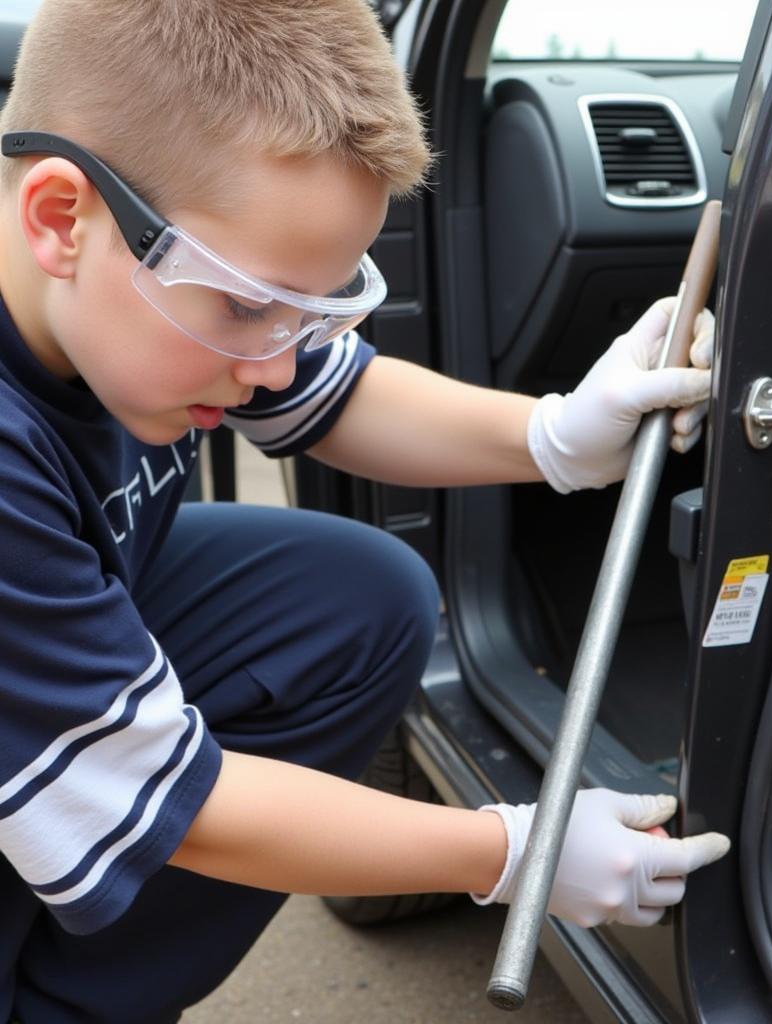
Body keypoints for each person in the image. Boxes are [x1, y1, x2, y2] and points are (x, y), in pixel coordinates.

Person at [0, 1, 729, 1021]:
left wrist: (556, 435)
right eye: (251, 308)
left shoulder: (151, 285)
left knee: (355, 595)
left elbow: (332, 391)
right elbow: (160, 793)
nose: (270, 368)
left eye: (313, 309)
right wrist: (509, 852)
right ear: (57, 218)